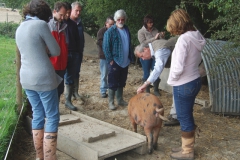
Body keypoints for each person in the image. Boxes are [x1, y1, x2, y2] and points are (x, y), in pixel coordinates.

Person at [15, 0, 61, 159]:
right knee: (52, 116)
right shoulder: (41, 25)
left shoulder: (20, 27)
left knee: (37, 114)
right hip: (43, 78)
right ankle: (50, 157)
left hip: (26, 78)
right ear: (44, 15)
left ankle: (39, 156)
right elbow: (56, 51)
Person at [166, 9, 206, 160]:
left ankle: (187, 152)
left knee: (184, 117)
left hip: (183, 83)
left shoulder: (184, 39)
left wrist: (173, 78)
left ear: (179, 24)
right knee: (187, 114)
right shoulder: (196, 36)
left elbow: (178, 67)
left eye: (174, 28)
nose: (174, 32)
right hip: (194, 79)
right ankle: (185, 147)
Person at [103, 9, 132, 110]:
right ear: (115, 20)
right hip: (115, 61)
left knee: (122, 81)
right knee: (113, 81)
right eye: (118, 19)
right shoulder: (110, 31)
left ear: (125, 20)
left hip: (125, 61)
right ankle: (111, 102)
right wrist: (110, 59)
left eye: (122, 19)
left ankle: (119, 100)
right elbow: (106, 47)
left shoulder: (127, 29)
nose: (120, 21)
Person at [137, 14, 161, 96]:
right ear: (145, 23)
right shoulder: (141, 31)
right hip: (145, 53)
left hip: (155, 53)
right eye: (149, 22)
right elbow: (143, 43)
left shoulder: (155, 30)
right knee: (146, 72)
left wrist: (161, 36)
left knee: (156, 71)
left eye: (152, 22)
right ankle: (147, 90)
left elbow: (158, 42)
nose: (151, 24)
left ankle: (156, 90)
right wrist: (154, 38)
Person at [48, 1, 68, 100]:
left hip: (62, 64)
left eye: (64, 15)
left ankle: (55, 110)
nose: (63, 18)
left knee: (60, 90)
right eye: (61, 15)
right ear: (54, 11)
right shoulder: (48, 26)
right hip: (52, 65)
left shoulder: (64, 27)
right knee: (51, 90)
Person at [63, 2, 81, 111]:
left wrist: (78, 53)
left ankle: (68, 101)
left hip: (73, 53)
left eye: (68, 13)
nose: (67, 15)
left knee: (70, 77)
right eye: (66, 13)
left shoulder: (73, 24)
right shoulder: (57, 23)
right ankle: (55, 101)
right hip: (61, 54)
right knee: (58, 77)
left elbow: (77, 40)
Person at [70, 1, 85, 102]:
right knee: (69, 73)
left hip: (78, 52)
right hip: (70, 52)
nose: (78, 13)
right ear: (71, 10)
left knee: (76, 72)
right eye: (76, 10)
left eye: (80, 11)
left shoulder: (80, 23)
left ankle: (76, 92)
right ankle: (69, 94)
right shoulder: (67, 22)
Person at [96, 16, 115, 98]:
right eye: (110, 24)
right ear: (106, 23)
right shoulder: (101, 31)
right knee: (104, 74)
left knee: (112, 73)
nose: (112, 26)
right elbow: (99, 42)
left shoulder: (115, 31)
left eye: (113, 24)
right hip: (104, 56)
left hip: (113, 56)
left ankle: (112, 89)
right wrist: (108, 45)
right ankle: (103, 90)